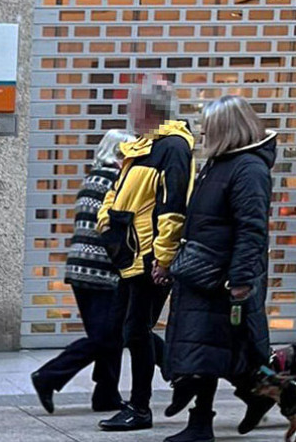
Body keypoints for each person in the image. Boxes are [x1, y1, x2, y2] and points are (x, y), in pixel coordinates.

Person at [163, 96, 275, 442]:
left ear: (227, 128)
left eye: (209, 126)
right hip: (203, 274)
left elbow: (251, 229)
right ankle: (268, 396)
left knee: (210, 352)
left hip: (224, 279)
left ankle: (201, 425)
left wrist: (240, 280)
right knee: (210, 350)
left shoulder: (248, 169)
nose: (203, 132)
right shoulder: (218, 164)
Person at [97, 75, 195, 431]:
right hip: (131, 256)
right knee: (128, 330)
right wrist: (105, 220)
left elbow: (172, 208)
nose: (128, 112)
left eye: (132, 106)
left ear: (147, 110)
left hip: (149, 260)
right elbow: (118, 189)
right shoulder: (143, 145)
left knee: (136, 332)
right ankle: (180, 377)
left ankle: (141, 408)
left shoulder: (172, 147)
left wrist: (163, 258)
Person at [30, 129, 135, 414]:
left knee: (108, 336)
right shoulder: (116, 182)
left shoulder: (92, 179)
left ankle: (106, 395)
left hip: (80, 269)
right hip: (102, 271)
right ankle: (48, 376)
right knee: (106, 337)